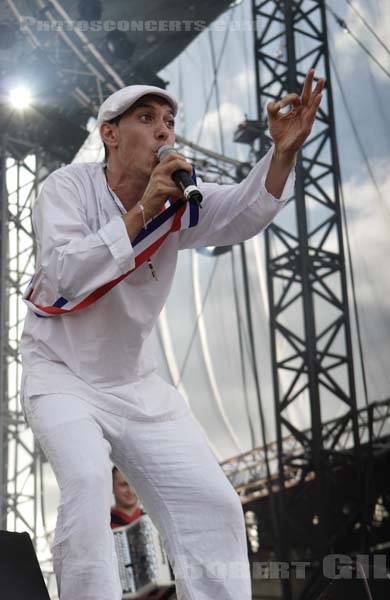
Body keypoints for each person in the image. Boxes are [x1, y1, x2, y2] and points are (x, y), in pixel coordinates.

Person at [20, 70, 324, 600]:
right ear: (108, 134)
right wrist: (144, 210)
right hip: (61, 375)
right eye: (146, 119)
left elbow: (241, 212)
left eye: (169, 121)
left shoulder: (181, 202)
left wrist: (282, 155)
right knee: (90, 486)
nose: (164, 131)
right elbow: (66, 271)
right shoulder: (66, 189)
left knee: (215, 506)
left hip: (137, 383)